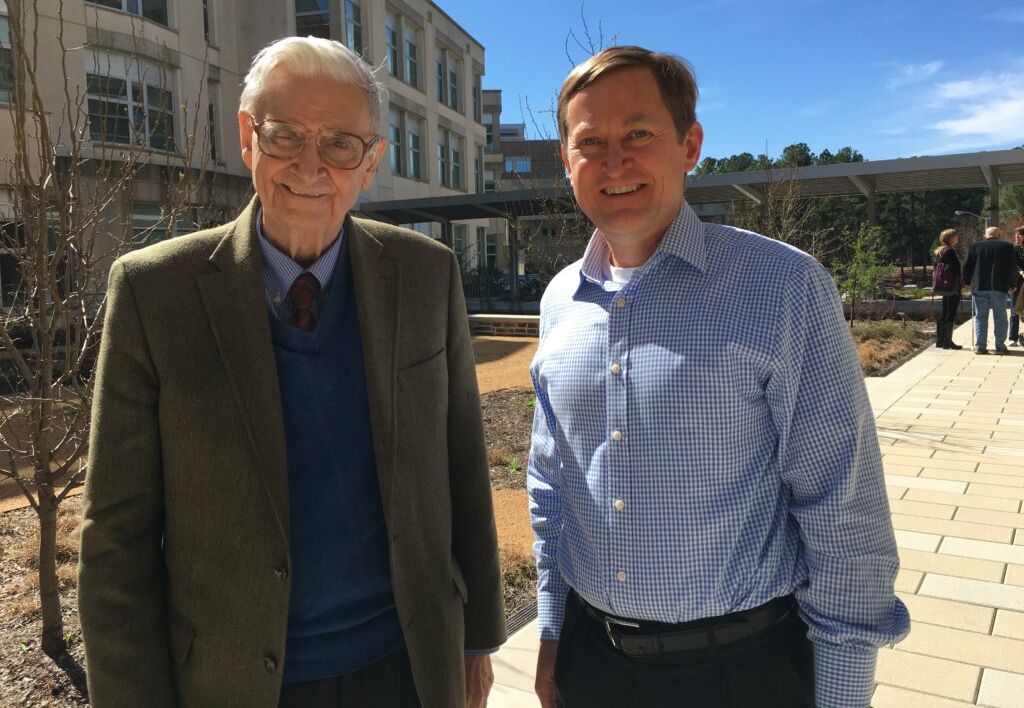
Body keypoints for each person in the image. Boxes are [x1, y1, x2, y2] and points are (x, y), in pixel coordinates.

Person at [78, 37, 506, 708]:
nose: (311, 166)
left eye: (341, 144)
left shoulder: (426, 274)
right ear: (248, 138)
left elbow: (462, 464)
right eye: (286, 137)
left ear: (371, 163)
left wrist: (480, 639)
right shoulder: (154, 292)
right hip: (237, 682)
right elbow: (116, 539)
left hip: (408, 666)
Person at [527, 46, 908, 708]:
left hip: (740, 675)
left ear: (689, 144)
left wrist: (843, 697)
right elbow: (550, 488)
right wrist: (553, 636)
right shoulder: (561, 301)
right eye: (589, 141)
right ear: (567, 161)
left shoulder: (782, 286)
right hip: (592, 667)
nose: (613, 161)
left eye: (638, 134)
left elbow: (844, 516)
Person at [961, 226, 1018, 355]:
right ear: (998, 235)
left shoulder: (974, 247)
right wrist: (1013, 283)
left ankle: (980, 346)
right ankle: (1000, 346)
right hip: (999, 286)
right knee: (1001, 317)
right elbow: (1012, 267)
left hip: (979, 286)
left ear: (985, 235)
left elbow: (966, 267)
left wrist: (967, 281)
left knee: (980, 317)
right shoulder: (1007, 246)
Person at [933, 228, 964, 350]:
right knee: (951, 313)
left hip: (943, 286)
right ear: (951, 238)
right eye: (956, 236)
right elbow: (956, 268)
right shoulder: (950, 252)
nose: (958, 238)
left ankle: (940, 340)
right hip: (952, 286)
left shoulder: (939, 251)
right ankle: (948, 341)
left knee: (944, 311)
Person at [1009, 227, 1024, 347]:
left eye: (1019, 235)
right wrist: (1021, 271)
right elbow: (1012, 264)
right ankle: (1012, 338)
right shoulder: (1013, 249)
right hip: (1017, 282)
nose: (1017, 237)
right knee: (1014, 310)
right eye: (1016, 235)